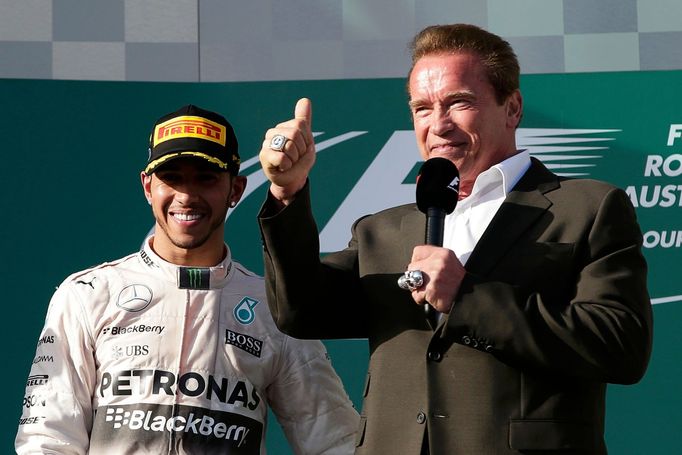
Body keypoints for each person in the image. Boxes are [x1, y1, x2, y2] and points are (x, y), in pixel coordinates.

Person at [256, 24, 653, 455]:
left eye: (459, 103)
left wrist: (469, 296)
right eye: (422, 108)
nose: (439, 125)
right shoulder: (379, 231)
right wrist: (287, 193)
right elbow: (300, 311)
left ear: (513, 107)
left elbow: (621, 345)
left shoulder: (588, 209)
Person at [15, 104, 359, 454]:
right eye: (172, 177)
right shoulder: (87, 295)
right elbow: (48, 439)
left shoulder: (271, 306)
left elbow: (335, 442)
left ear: (236, 189)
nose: (187, 194)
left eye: (206, 178)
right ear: (148, 187)